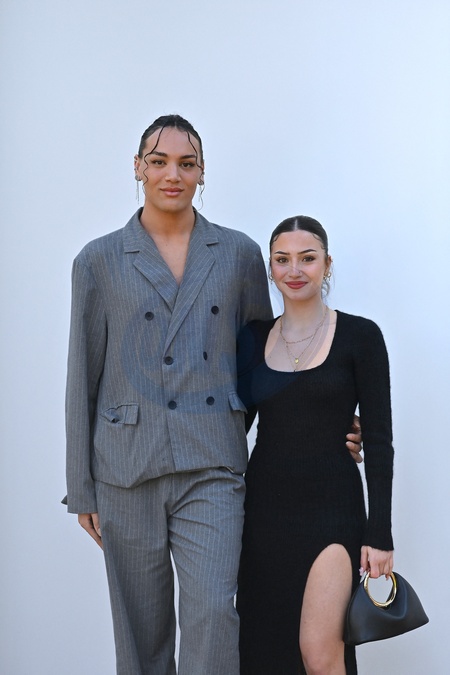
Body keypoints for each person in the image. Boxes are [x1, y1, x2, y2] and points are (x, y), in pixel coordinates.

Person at [64, 115, 362, 675]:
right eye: (159, 162)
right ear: (138, 168)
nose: (172, 174)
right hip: (125, 468)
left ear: (203, 172)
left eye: (187, 163)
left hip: (213, 465)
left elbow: (266, 360)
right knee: (141, 628)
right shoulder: (98, 260)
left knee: (213, 615)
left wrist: (325, 424)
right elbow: (83, 374)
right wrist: (82, 486)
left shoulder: (237, 254)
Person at [236, 216, 394, 675]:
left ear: (327, 264)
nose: (294, 270)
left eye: (307, 258)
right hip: (262, 515)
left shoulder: (361, 336)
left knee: (321, 655)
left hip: (332, 511)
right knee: (263, 654)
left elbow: (379, 440)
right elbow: (232, 427)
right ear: (270, 269)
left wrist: (379, 534)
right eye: (282, 259)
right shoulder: (252, 339)